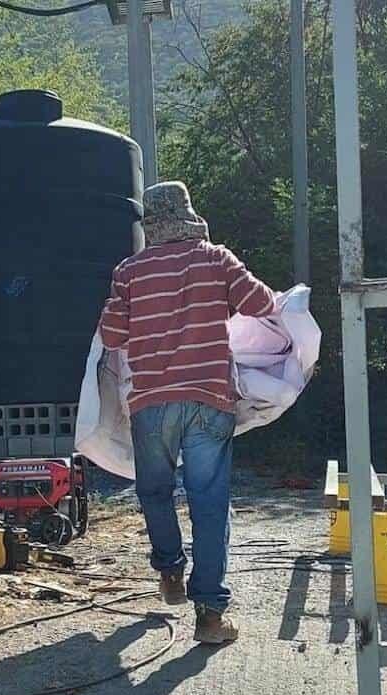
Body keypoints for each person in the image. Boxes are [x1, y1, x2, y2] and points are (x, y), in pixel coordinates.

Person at [98, 181, 276, 644]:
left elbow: (112, 336)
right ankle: (211, 618)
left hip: (152, 404)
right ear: (190, 215)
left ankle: (171, 571)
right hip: (209, 401)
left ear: (151, 225)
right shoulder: (215, 258)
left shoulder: (129, 271)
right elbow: (261, 304)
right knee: (209, 505)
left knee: (155, 492)